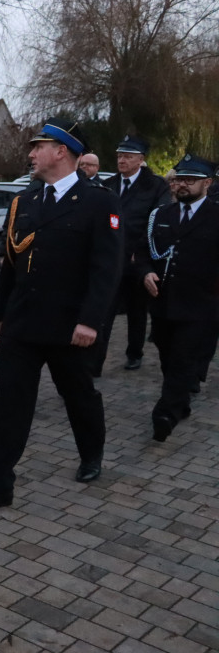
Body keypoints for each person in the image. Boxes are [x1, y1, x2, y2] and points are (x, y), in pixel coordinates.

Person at [0, 118, 123, 517]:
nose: (31, 153)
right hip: (22, 323)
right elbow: (10, 265)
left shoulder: (98, 201)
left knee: (78, 395)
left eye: (39, 147)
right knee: (10, 406)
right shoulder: (27, 201)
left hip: (68, 325)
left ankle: (91, 452)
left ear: (62, 152)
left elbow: (106, 269)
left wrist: (91, 321)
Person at [135, 154, 219, 441]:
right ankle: (180, 402)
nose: (182, 185)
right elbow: (144, 251)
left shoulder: (215, 215)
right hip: (162, 302)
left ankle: (165, 413)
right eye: (179, 179)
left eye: (190, 180)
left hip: (201, 306)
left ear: (207, 183)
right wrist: (145, 272)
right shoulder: (161, 215)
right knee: (168, 356)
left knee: (183, 358)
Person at [96, 136, 170, 373]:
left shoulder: (156, 186)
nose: (122, 160)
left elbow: (156, 222)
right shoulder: (108, 184)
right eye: (119, 156)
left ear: (141, 160)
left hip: (138, 260)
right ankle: (95, 359)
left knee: (137, 311)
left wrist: (139, 253)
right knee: (105, 310)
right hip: (111, 258)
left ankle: (134, 353)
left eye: (128, 156)